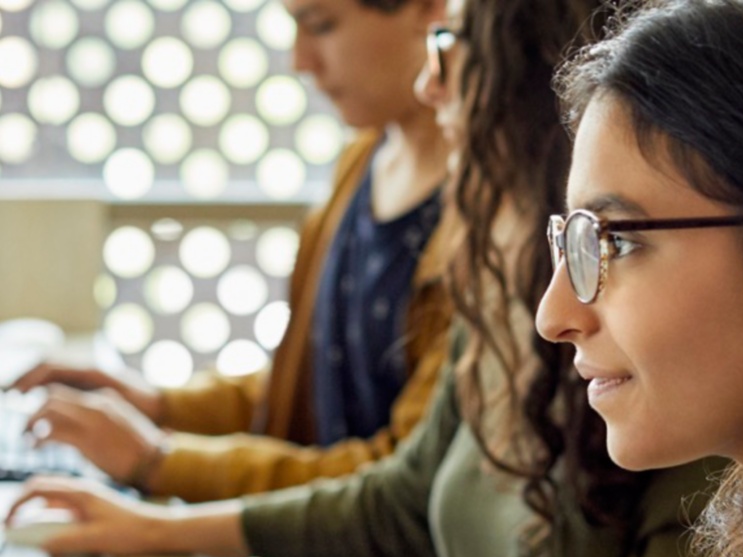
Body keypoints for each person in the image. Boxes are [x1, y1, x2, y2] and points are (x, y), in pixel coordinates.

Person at [8, 0, 727, 557]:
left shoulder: (677, 365)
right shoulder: (500, 282)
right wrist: (158, 515)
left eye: (448, 44)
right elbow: (395, 491)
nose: (429, 83)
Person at [10, 0, 453, 504]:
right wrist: (156, 406)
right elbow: (311, 388)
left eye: (321, 25)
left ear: (429, 8)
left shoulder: (480, 225)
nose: (300, 60)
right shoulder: (362, 163)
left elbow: (401, 483)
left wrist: (159, 460)